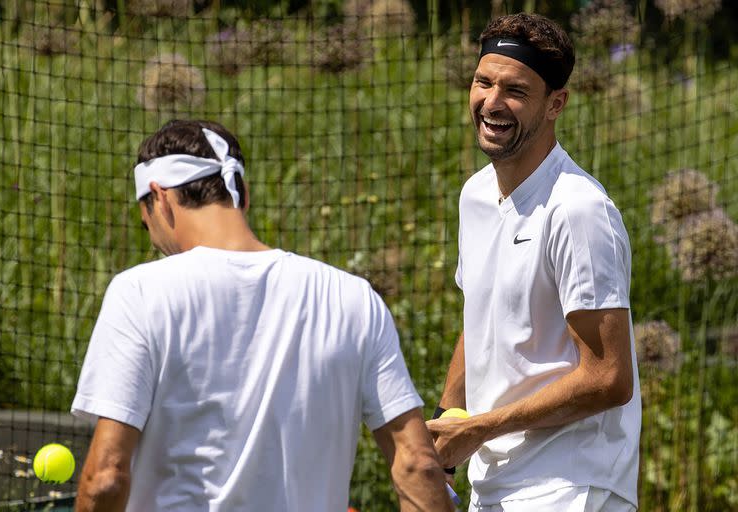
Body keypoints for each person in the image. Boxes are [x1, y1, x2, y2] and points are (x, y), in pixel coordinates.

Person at [71, 120, 453, 512]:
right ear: (243, 195)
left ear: (160, 197)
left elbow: (106, 477)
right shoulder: (355, 299)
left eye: (145, 223)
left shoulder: (139, 292)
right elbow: (418, 464)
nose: (153, 241)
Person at [426, 13, 641, 512]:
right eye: (483, 82)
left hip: (573, 486)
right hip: (496, 482)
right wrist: (445, 431)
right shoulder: (475, 194)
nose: (492, 103)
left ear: (555, 104)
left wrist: (481, 427)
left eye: (516, 91)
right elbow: (480, 320)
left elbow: (610, 377)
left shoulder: (579, 210)